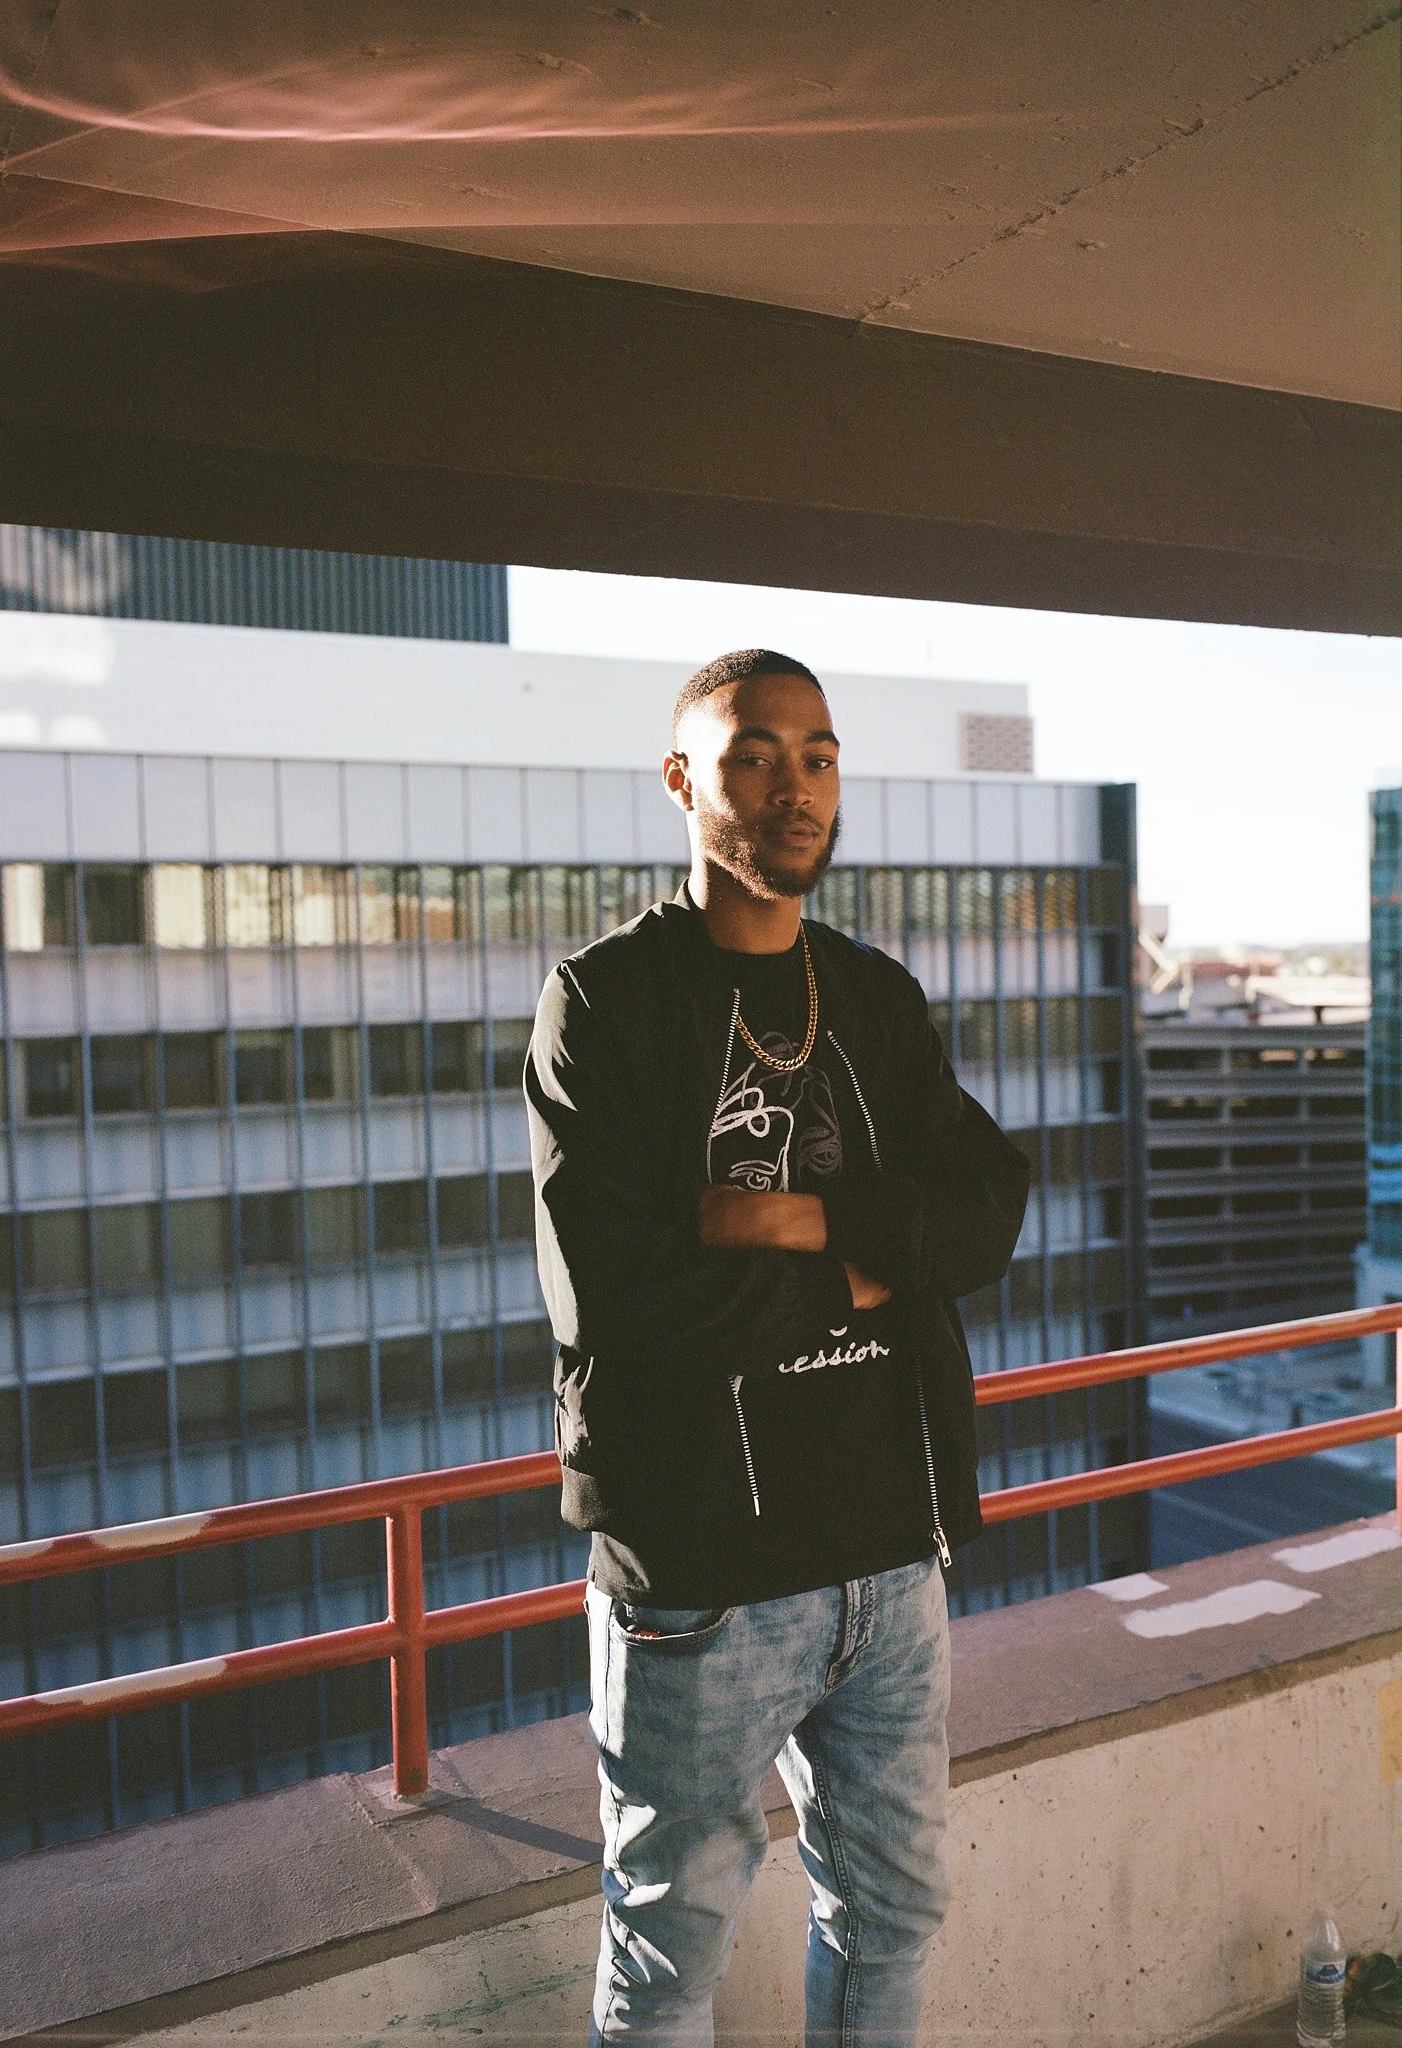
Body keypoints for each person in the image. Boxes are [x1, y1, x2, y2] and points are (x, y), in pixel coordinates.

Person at [525, 649, 1029, 2045]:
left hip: (885, 1550)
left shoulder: (871, 996)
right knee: (667, 1950)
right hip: (702, 1572)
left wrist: (801, 1224)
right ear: (684, 780)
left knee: (891, 1912)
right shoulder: (604, 1004)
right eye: (751, 753)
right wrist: (876, 1266)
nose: (792, 784)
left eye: (816, 753)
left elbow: (986, 1204)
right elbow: (616, 1300)